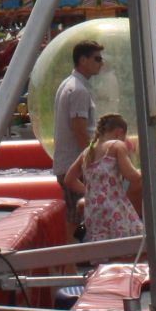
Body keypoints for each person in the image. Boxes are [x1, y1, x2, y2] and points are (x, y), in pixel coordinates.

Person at [52, 40, 103, 238]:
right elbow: (80, 131)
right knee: (77, 216)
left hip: (68, 163)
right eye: (97, 59)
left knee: (77, 215)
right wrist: (93, 162)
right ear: (83, 60)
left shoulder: (69, 85)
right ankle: (73, 255)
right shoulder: (79, 90)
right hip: (74, 165)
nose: (101, 63)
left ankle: (75, 254)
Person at [65, 115, 143, 244]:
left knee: (103, 250)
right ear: (119, 132)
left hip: (94, 214)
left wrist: (92, 192)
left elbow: (69, 180)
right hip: (114, 211)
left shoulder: (87, 151)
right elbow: (132, 177)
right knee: (133, 245)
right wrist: (144, 171)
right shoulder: (116, 145)